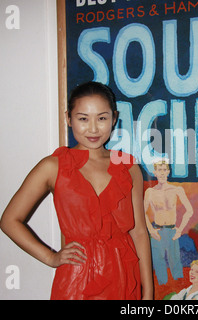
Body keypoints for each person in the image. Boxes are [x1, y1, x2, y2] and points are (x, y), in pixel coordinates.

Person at [0, 81, 153, 300]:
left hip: (124, 279)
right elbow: (9, 220)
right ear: (68, 118)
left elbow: (138, 232)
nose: (93, 128)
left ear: (114, 118)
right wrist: (50, 257)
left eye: (102, 118)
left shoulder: (128, 166)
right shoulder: (53, 166)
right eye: (83, 118)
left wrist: (147, 294)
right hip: (77, 281)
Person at [144, 157, 193, 285]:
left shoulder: (176, 190)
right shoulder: (150, 192)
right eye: (159, 170)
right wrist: (151, 230)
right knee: (158, 262)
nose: (161, 172)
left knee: (175, 261)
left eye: (164, 169)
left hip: (172, 231)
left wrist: (180, 230)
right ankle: (162, 291)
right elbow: (141, 212)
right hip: (158, 231)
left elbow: (189, 210)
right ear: (154, 172)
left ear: (168, 172)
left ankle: (179, 291)